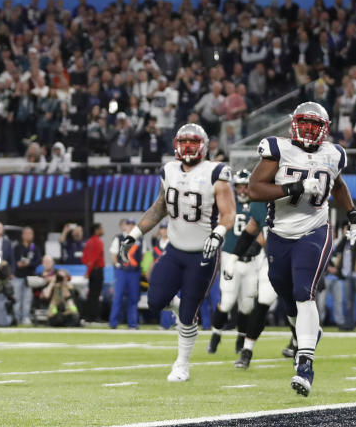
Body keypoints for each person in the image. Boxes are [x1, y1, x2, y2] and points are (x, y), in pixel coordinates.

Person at [249, 102, 356, 396]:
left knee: (305, 293)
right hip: (279, 233)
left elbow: (337, 184)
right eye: (305, 123)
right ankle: (304, 332)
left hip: (315, 230)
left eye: (316, 126)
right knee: (285, 293)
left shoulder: (333, 153)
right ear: (294, 123)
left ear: (324, 130)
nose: (310, 130)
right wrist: (294, 188)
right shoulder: (278, 149)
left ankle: (305, 364)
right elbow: (255, 189)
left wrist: (351, 213)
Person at [119, 123, 236, 382]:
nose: (188, 147)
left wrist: (217, 234)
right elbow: (159, 207)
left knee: (187, 315)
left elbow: (229, 214)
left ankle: (181, 364)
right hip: (174, 250)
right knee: (155, 300)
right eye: (184, 142)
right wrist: (134, 235)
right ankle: (185, 310)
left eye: (193, 143)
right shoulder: (168, 170)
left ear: (203, 146)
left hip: (202, 253)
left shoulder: (216, 172)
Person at [207, 169, 275, 369]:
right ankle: (216, 336)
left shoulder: (259, 203)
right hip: (232, 256)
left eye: (246, 185)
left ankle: (242, 341)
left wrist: (257, 247)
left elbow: (262, 230)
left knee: (247, 305)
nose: (243, 189)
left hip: (254, 259)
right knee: (227, 301)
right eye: (240, 186)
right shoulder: (229, 204)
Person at [109, 218, 142, 329]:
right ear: (125, 226)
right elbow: (113, 255)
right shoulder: (119, 238)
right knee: (118, 297)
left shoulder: (140, 239)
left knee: (133, 298)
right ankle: (113, 322)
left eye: (133, 224)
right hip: (122, 272)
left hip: (134, 272)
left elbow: (143, 255)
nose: (130, 226)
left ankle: (132, 323)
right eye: (128, 224)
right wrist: (118, 266)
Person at [82, 223, 106, 322]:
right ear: (96, 230)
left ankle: (88, 316)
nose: (103, 230)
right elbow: (94, 258)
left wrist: (88, 268)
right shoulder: (98, 242)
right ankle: (94, 317)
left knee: (91, 295)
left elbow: (84, 258)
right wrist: (88, 271)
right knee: (95, 295)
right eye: (101, 228)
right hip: (96, 271)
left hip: (92, 271)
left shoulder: (89, 241)